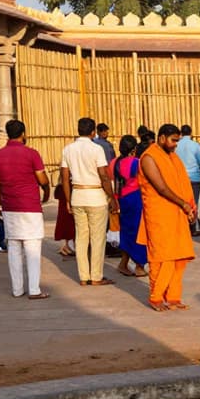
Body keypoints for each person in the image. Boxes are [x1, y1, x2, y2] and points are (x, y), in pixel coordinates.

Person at [137, 124, 197, 312]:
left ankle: (172, 296)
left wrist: (189, 206)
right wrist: (184, 204)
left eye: (177, 141)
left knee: (179, 256)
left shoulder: (173, 157)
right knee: (162, 256)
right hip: (160, 214)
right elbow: (161, 188)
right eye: (173, 140)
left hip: (177, 212)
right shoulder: (149, 158)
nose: (175, 145)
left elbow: (181, 182)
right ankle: (156, 297)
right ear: (162, 138)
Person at [0, 120, 52, 299]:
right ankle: (34, 289)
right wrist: (46, 193)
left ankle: (17, 289)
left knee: (14, 248)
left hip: (9, 206)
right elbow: (43, 179)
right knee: (32, 248)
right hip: (30, 206)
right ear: (23, 133)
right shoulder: (32, 154)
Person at [61, 117, 118, 286]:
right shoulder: (96, 149)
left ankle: (83, 276)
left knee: (81, 237)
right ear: (93, 132)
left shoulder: (68, 149)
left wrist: (67, 200)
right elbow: (103, 176)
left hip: (77, 195)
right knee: (97, 238)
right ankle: (96, 276)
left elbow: (65, 177)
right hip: (96, 196)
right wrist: (112, 198)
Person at [110, 135, 148, 277]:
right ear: (134, 148)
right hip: (135, 199)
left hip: (121, 199)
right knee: (139, 232)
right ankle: (139, 265)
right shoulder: (137, 163)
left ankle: (124, 263)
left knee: (126, 232)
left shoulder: (114, 162)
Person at [176, 124, 200, 235]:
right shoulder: (195, 145)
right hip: (194, 178)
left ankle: (182, 228)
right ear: (191, 133)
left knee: (181, 202)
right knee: (193, 202)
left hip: (179, 178)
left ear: (180, 133)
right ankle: (193, 228)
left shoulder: (176, 145)